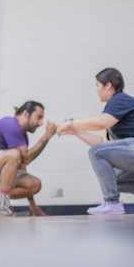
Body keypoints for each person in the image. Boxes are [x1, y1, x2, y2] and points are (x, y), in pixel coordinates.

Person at [56, 68, 134, 215]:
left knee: (96, 152)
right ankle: (111, 201)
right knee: (111, 178)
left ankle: (112, 202)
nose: (96, 90)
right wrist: (78, 132)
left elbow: (101, 122)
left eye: (97, 85)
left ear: (108, 85)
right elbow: (102, 143)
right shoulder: (115, 110)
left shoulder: (119, 100)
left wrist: (71, 123)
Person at [0, 101, 57, 216]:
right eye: (38, 117)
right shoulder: (11, 124)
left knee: (34, 184)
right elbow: (26, 158)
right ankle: (3, 207)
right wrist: (47, 135)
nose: (41, 123)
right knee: (14, 155)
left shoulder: (23, 136)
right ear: (26, 114)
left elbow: (22, 166)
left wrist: (32, 205)